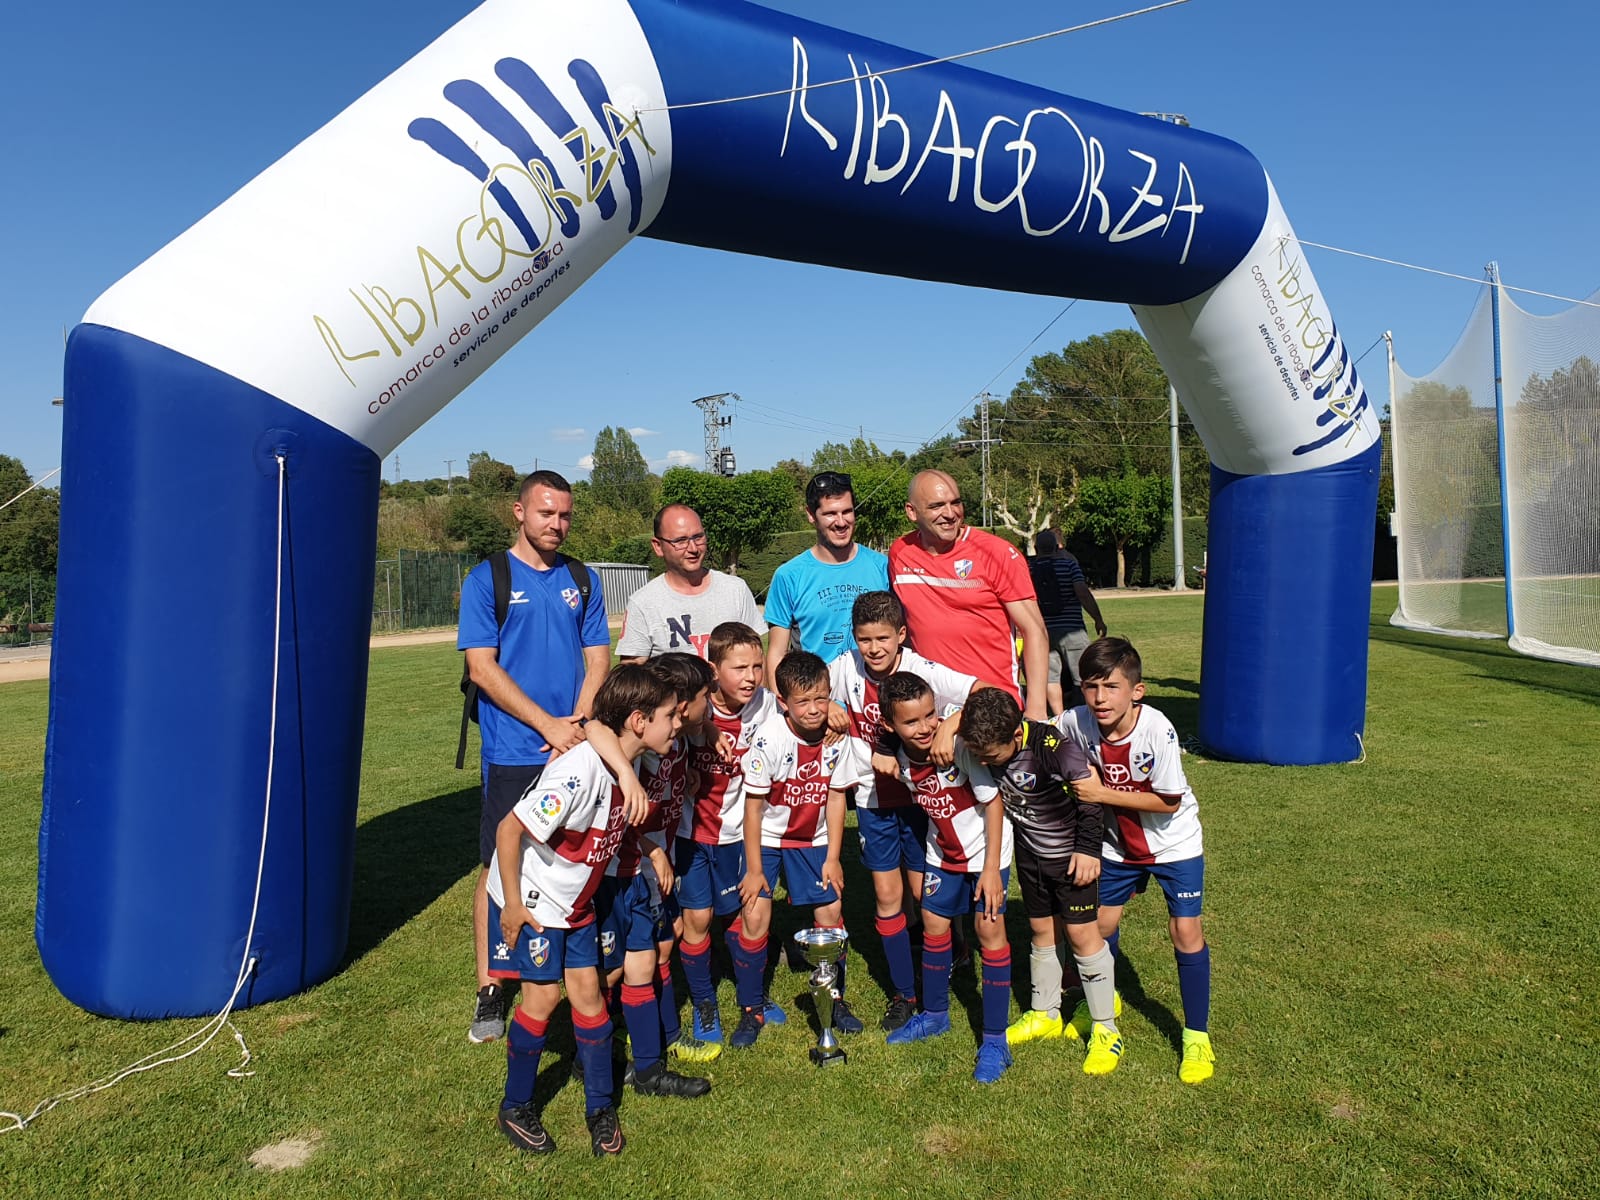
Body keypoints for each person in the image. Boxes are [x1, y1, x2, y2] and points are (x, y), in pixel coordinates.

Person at [486, 665, 680, 1156]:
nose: (677, 724)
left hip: (576, 902)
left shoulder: (627, 763)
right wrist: (510, 903)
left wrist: (651, 848)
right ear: (638, 720)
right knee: (543, 1001)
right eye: (670, 715)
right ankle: (516, 1106)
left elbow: (615, 808)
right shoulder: (578, 773)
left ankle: (600, 1108)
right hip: (535, 900)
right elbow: (510, 831)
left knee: (589, 997)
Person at [459, 469, 611, 1045]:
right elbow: (482, 668)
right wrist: (546, 724)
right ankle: (491, 987)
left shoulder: (581, 577)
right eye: (547, 513)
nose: (558, 524)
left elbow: (599, 658)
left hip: (575, 744)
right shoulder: (488, 578)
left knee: (574, 855)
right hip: (515, 748)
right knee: (500, 866)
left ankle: (570, 976)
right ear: (518, 512)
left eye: (566, 514)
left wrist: (575, 722)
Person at [829, 590, 998, 1030]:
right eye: (865, 639)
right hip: (874, 800)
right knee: (888, 898)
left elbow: (981, 689)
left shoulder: (921, 670)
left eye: (883, 638)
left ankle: (944, 961)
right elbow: (800, 689)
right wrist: (826, 705)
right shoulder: (845, 667)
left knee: (926, 897)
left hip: (927, 801)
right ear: (855, 638)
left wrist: (952, 725)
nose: (875, 648)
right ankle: (905, 994)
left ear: (902, 636)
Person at [1056, 637, 1215, 1085]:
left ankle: (1196, 1037)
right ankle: (1102, 1010)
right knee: (1098, 926)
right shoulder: (1076, 721)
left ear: (1136, 691)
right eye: (1090, 687)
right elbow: (1039, 732)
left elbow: (1166, 801)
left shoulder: (1157, 729)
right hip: (1116, 847)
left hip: (1173, 844)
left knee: (1185, 931)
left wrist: (1099, 793)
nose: (1100, 698)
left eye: (1110, 686)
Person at [959, 688, 1123, 1075]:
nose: (983, 762)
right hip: (1032, 856)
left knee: (1083, 936)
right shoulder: (985, 740)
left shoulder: (1054, 748)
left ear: (1017, 735)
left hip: (1072, 858)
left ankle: (1105, 1028)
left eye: (992, 756)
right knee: (1040, 931)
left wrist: (1087, 850)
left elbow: (1090, 798)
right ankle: (1045, 1013)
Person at [592, 655, 722, 1097]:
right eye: (707, 696)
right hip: (621, 871)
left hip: (652, 865)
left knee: (655, 952)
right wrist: (650, 849)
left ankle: (654, 1055)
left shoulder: (677, 742)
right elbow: (593, 728)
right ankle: (595, 1047)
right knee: (613, 970)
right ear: (681, 706)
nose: (713, 703)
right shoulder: (639, 751)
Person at [877, 672, 1016, 1084]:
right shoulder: (893, 753)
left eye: (930, 715)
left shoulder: (958, 746)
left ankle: (994, 1040)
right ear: (891, 727)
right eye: (912, 722)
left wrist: (991, 871)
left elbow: (993, 807)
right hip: (941, 853)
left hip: (986, 855)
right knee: (935, 926)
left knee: (988, 932)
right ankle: (935, 1015)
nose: (925, 727)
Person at [727, 650, 862, 1048]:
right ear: (783, 702)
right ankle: (751, 1007)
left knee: (831, 911)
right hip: (768, 839)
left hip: (814, 839)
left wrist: (834, 858)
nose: (814, 709)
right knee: (755, 915)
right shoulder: (769, 737)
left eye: (821, 698)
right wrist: (754, 869)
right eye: (802, 701)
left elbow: (837, 799)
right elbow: (753, 808)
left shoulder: (838, 738)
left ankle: (833, 998)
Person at [674, 622, 778, 1044]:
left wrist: (834, 715)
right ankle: (703, 1001)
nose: (751, 676)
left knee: (749, 913)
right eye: (739, 668)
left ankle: (752, 1001)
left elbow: (806, 711)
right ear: (713, 670)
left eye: (757, 665)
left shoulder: (768, 705)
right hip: (690, 832)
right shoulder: (692, 708)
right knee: (697, 919)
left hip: (740, 833)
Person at [888, 470, 1050, 720]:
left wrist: (1037, 710)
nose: (950, 514)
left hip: (993, 707)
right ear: (912, 511)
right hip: (930, 714)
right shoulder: (900, 553)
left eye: (956, 502)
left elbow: (1035, 630)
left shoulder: (997, 552)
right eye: (936, 506)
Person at [763, 471, 890, 680]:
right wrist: (784, 708)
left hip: (876, 698)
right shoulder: (789, 576)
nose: (841, 522)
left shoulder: (882, 566)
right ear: (811, 515)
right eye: (830, 514)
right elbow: (777, 653)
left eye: (847, 512)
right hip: (816, 699)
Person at [618, 504, 762, 662]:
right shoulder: (643, 603)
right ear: (658, 546)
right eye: (680, 541)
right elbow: (631, 676)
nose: (693, 548)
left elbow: (757, 659)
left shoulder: (735, 590)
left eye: (698, 537)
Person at [1028, 528, 1107, 715]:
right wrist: (1098, 619)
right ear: (1057, 547)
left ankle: (1059, 716)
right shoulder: (1069, 565)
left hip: (1043, 632)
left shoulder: (1029, 569)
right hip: (1072, 628)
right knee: (1083, 676)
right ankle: (1084, 713)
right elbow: (1082, 593)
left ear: (1036, 549)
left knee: (1051, 678)